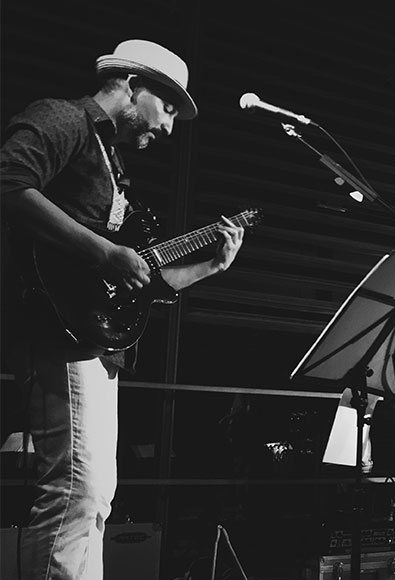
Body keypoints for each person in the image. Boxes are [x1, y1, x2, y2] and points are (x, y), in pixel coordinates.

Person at [0, 39, 245, 579]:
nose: (170, 127)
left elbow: (141, 283)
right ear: (133, 85)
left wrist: (211, 267)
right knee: (76, 493)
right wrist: (105, 252)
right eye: (169, 107)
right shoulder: (64, 118)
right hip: (58, 337)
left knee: (95, 498)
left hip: (94, 344)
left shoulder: (111, 162)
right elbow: (9, 182)